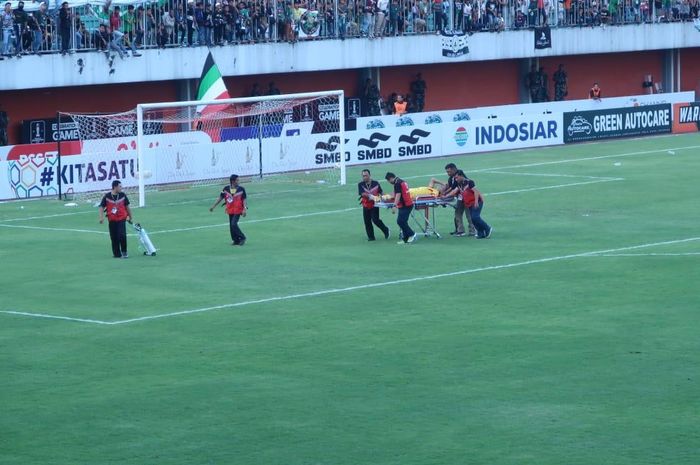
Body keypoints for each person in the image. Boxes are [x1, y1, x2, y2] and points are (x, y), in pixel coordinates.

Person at [429, 162, 476, 237]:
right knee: (458, 213)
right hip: (460, 198)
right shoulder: (451, 178)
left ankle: (472, 231)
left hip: (467, 199)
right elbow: (451, 188)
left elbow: (454, 189)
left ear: (454, 170)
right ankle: (460, 231)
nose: (448, 173)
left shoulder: (459, 176)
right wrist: (444, 194)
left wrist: (445, 195)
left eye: (449, 171)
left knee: (468, 215)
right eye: (447, 172)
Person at [209, 174, 247, 246]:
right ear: (233, 181)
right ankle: (235, 240)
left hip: (238, 210)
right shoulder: (226, 189)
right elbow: (220, 198)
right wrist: (213, 206)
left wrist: (244, 209)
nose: (239, 181)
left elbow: (244, 199)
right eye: (237, 180)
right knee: (231, 225)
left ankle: (242, 237)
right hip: (230, 210)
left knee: (233, 224)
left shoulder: (241, 189)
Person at [99, 180, 133, 258]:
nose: (121, 188)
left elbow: (127, 207)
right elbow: (101, 207)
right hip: (112, 220)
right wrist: (101, 217)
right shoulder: (107, 196)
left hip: (121, 219)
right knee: (114, 237)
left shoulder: (123, 195)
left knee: (122, 235)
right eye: (120, 186)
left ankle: (124, 252)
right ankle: (116, 254)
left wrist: (130, 217)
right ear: (115, 187)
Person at [454, 170, 491, 239]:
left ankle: (487, 228)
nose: (456, 179)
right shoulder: (459, 184)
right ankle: (481, 233)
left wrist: (476, 201)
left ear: (461, 176)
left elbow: (476, 192)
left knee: (475, 217)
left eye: (457, 177)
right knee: (473, 219)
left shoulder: (469, 182)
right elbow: (456, 192)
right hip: (469, 204)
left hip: (477, 202)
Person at [358, 169, 390, 241]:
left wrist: (387, 197)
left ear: (369, 175)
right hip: (365, 205)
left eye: (366, 175)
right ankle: (371, 237)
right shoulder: (360, 184)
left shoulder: (376, 183)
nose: (364, 177)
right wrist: (371, 196)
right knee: (367, 222)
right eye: (363, 176)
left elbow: (381, 192)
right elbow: (362, 193)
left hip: (375, 205)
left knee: (375, 220)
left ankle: (386, 230)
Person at [385, 172, 416, 244]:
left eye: (388, 181)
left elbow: (398, 195)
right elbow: (397, 193)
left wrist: (394, 205)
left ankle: (412, 234)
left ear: (390, 178)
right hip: (406, 204)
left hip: (405, 205)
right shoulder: (401, 181)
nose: (389, 182)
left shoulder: (397, 183)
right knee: (402, 221)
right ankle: (405, 239)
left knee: (400, 221)